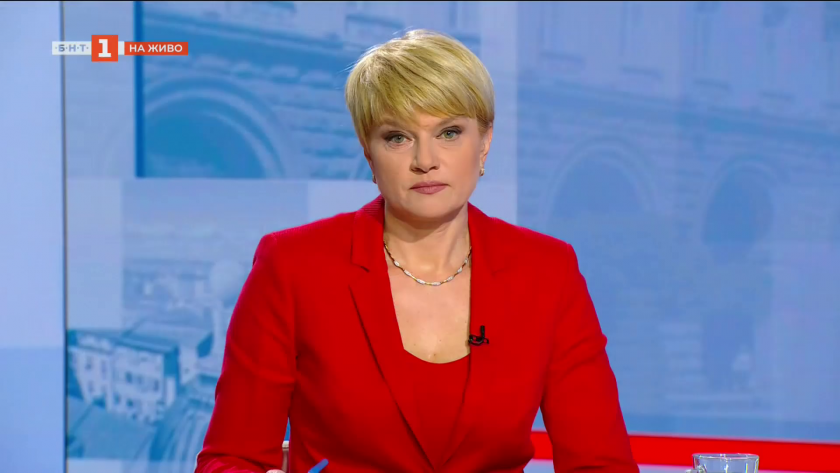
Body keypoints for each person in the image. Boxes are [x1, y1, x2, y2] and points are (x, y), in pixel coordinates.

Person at [196, 29, 638, 473]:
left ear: (484, 143)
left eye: (449, 132)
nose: (425, 160)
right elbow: (230, 458)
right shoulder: (293, 266)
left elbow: (602, 466)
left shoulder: (546, 271)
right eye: (397, 137)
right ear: (368, 154)